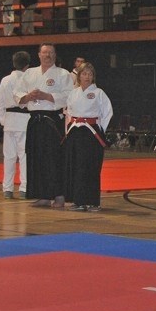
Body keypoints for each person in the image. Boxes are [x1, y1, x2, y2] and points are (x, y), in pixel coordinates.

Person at [15, 43, 73, 208]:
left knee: (55, 158)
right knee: (36, 157)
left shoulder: (63, 74)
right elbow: (17, 93)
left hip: (52, 120)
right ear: (39, 55)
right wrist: (28, 97)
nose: (48, 55)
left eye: (51, 53)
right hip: (35, 120)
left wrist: (47, 96)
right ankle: (43, 195)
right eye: (45, 52)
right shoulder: (30, 73)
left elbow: (69, 95)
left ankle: (59, 195)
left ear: (55, 55)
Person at [64, 61, 113, 211]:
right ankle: (78, 201)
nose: (87, 76)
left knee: (91, 167)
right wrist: (68, 130)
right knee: (77, 167)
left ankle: (93, 202)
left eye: (90, 74)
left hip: (92, 132)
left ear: (93, 77)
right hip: (75, 131)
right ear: (78, 76)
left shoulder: (99, 93)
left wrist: (99, 129)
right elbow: (68, 112)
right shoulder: (73, 93)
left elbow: (107, 113)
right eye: (84, 73)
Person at [0, 51, 31, 200]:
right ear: (27, 65)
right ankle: (24, 188)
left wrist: (3, 120)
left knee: (9, 156)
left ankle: (7, 189)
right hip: (25, 121)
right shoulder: (30, 79)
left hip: (9, 121)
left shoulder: (5, 80)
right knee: (24, 156)